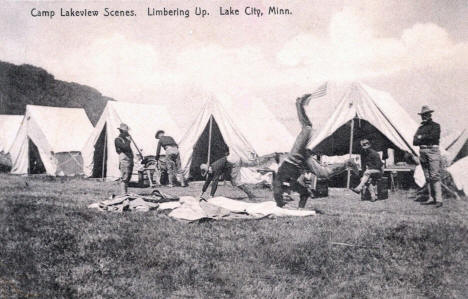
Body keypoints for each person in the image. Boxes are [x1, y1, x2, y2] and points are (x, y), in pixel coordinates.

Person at [273, 95, 359, 208]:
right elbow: (305, 194)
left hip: (295, 157)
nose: (287, 197)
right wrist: (300, 209)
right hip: (304, 162)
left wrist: (281, 204)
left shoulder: (278, 187)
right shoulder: (292, 186)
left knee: (308, 127)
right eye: (287, 199)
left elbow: (281, 186)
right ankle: (347, 163)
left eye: (285, 197)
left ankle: (298, 104)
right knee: (324, 174)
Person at [413, 105, 443, 208]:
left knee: (434, 175)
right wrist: (422, 138)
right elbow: (414, 141)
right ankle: (431, 198)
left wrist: (421, 137)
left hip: (432, 150)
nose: (424, 116)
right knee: (427, 176)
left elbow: (433, 137)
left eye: (426, 114)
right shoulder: (420, 128)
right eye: (422, 115)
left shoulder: (436, 126)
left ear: (430, 114)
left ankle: (439, 199)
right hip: (422, 151)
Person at [115, 123, 134, 195]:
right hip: (124, 158)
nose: (128, 133)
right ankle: (123, 194)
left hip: (129, 158)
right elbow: (125, 147)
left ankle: (125, 193)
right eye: (126, 132)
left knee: (128, 176)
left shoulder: (126, 140)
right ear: (122, 131)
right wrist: (129, 141)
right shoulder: (118, 139)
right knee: (124, 177)